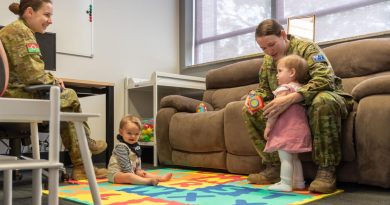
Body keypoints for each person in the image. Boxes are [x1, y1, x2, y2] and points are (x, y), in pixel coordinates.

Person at [242, 19, 353, 194]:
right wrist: (255, 97)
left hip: (324, 97)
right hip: (289, 109)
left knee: (322, 100)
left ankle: (326, 171)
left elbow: (325, 79)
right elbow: (265, 89)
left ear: (283, 35)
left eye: (272, 44)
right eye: (263, 48)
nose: (269, 51)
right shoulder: (268, 61)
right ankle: (275, 167)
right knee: (251, 109)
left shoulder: (307, 48)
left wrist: (294, 97)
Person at [0, 0, 107, 180]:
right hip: (16, 98)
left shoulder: (14, 30)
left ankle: (82, 163)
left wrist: (53, 81)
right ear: (29, 12)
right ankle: (84, 153)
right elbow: (34, 75)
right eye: (47, 15)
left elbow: (29, 72)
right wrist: (54, 82)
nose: (50, 20)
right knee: (69, 96)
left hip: (12, 94)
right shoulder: (21, 32)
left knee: (62, 104)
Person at [262, 55, 312, 192]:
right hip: (300, 130)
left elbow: (274, 110)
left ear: (291, 72)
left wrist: (268, 126)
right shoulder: (301, 89)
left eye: (279, 71)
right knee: (295, 158)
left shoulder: (283, 89)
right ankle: (299, 182)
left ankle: (285, 182)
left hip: (286, 130)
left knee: (285, 158)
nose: (276, 75)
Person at [108, 115, 173, 185]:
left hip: (131, 171)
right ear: (121, 132)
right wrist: (135, 174)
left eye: (136, 134)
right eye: (129, 133)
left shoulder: (135, 146)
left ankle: (160, 178)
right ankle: (147, 181)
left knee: (144, 173)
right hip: (116, 174)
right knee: (130, 176)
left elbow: (137, 160)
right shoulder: (121, 147)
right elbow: (125, 165)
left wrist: (139, 171)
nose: (133, 136)